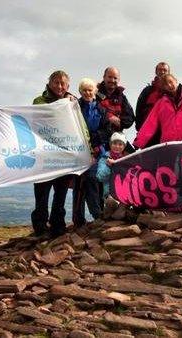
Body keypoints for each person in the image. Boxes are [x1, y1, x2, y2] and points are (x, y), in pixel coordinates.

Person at [31, 70, 75, 238]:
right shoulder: (39, 101)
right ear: (49, 83)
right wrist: (63, 104)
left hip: (63, 157)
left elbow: (80, 127)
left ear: (68, 86)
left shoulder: (72, 103)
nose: (59, 86)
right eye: (56, 82)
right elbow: (36, 120)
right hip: (44, 157)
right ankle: (40, 227)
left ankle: (58, 226)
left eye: (63, 83)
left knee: (61, 194)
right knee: (41, 194)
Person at [72, 78, 109, 228]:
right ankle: (78, 219)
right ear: (80, 91)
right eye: (84, 90)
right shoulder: (75, 107)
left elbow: (106, 130)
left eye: (90, 90)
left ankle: (97, 214)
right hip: (79, 151)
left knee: (94, 182)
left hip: (96, 151)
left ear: (95, 91)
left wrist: (95, 145)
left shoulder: (101, 109)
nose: (87, 92)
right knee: (79, 185)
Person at [133, 74, 182, 149]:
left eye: (171, 82)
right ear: (163, 87)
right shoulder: (161, 103)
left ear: (176, 81)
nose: (169, 85)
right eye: (166, 84)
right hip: (169, 145)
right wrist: (139, 141)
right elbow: (150, 123)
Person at [96, 132, 131, 219]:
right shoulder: (104, 159)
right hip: (110, 194)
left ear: (124, 146)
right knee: (111, 203)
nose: (117, 146)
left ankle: (119, 213)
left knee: (120, 212)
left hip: (124, 194)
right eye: (114, 143)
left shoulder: (128, 159)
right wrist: (108, 166)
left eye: (120, 144)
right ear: (110, 144)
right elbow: (100, 177)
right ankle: (116, 214)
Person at [96, 67, 135, 135]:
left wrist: (119, 122)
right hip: (98, 135)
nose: (112, 80)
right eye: (110, 77)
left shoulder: (121, 96)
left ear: (119, 80)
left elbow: (130, 118)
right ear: (104, 77)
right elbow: (90, 112)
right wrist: (109, 117)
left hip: (116, 137)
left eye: (115, 78)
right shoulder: (94, 93)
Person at [135, 62, 171, 133]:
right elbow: (139, 109)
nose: (162, 72)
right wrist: (140, 128)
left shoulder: (172, 91)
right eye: (160, 70)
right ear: (156, 72)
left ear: (169, 73)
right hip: (148, 130)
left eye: (165, 70)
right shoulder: (147, 90)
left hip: (167, 129)